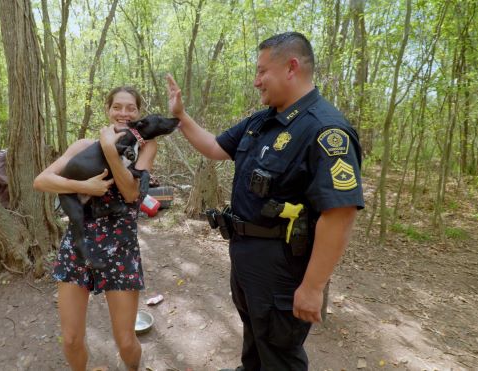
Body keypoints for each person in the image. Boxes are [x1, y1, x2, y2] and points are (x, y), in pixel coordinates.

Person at [166, 32, 364, 370]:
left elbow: (340, 213)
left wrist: (313, 287)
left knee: (279, 354)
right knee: (255, 343)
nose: (256, 82)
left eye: (261, 72)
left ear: (291, 67)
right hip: (246, 257)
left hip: (282, 267)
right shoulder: (263, 120)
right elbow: (216, 147)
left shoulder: (325, 129)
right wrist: (182, 118)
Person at [34, 86, 157, 371]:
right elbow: (42, 181)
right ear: (108, 109)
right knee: (71, 339)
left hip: (121, 249)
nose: (124, 113)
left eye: (131, 108)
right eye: (117, 106)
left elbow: (130, 194)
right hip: (78, 247)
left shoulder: (145, 148)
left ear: (139, 113)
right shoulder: (81, 147)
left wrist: (110, 151)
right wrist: (82, 186)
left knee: (126, 341)